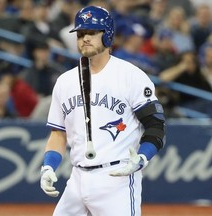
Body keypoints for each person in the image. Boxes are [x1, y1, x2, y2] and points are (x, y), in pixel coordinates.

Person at [40, 5, 166, 216]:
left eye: (91, 32)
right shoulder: (64, 82)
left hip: (116, 177)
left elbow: (156, 125)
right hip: (77, 178)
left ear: (107, 36)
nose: (85, 38)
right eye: (80, 34)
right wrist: (48, 166)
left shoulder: (130, 75)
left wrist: (142, 157)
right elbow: (58, 133)